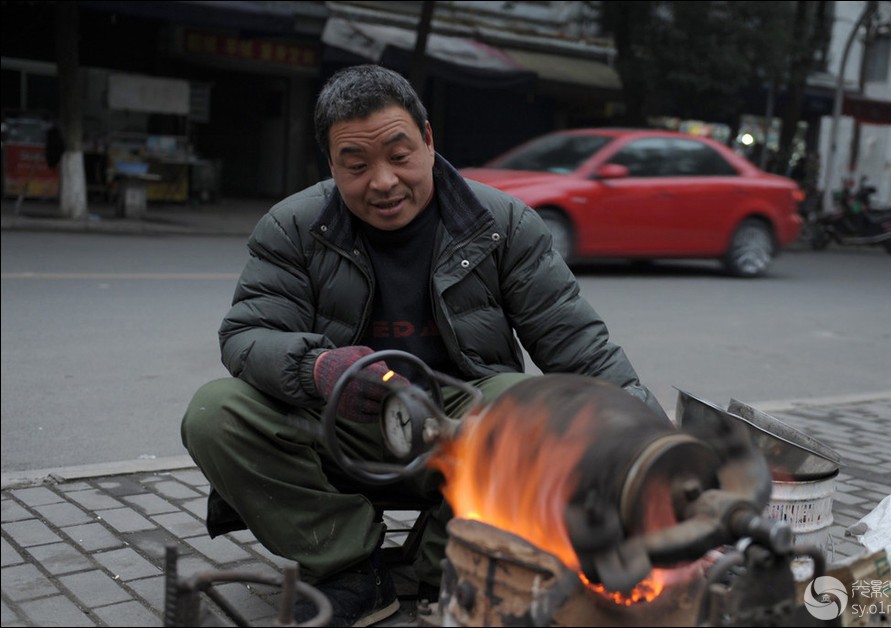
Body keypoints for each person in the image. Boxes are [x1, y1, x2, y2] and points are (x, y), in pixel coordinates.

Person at [180, 64, 665, 627]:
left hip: (458, 438)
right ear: (331, 165)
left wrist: (659, 461)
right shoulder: (293, 226)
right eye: (356, 166)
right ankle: (350, 569)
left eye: (400, 154)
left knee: (526, 404)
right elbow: (246, 336)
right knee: (215, 410)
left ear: (430, 140)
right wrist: (318, 368)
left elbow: (584, 352)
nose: (383, 181)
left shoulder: (502, 224)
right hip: (337, 429)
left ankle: (439, 567)